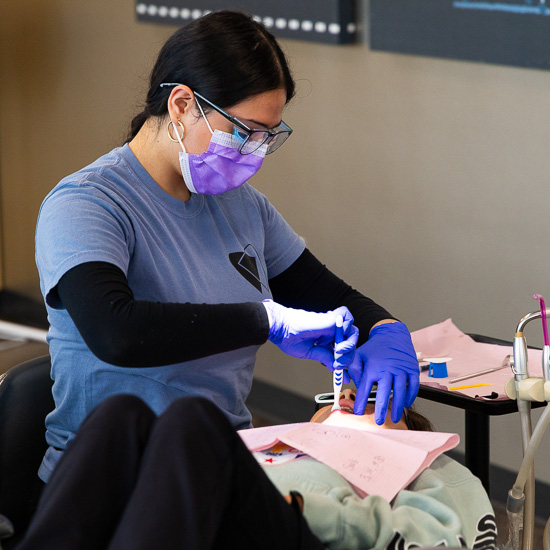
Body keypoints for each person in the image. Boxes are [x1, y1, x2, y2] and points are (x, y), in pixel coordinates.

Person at [34, 9, 419, 485]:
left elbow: (325, 292)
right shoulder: (87, 204)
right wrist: (266, 321)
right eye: (244, 131)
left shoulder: (242, 207)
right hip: (112, 479)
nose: (255, 152)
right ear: (180, 105)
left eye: (267, 136)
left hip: (221, 462)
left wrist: (384, 328)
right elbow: (116, 332)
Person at [14, 390, 497, 550]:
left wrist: (320, 512)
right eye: (343, 393)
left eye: (372, 399)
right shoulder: (276, 445)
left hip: (298, 527)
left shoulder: (422, 467)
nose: (349, 396)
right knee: (122, 413)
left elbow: (439, 540)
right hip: (218, 512)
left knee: (192, 418)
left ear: (411, 432)